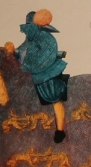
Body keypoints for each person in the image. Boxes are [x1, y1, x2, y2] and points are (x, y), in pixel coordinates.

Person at [17, 9, 70, 142]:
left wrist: (32, 64)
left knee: (53, 95)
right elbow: (21, 51)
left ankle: (60, 130)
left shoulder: (46, 38)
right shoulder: (29, 40)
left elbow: (47, 55)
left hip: (47, 71)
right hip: (31, 71)